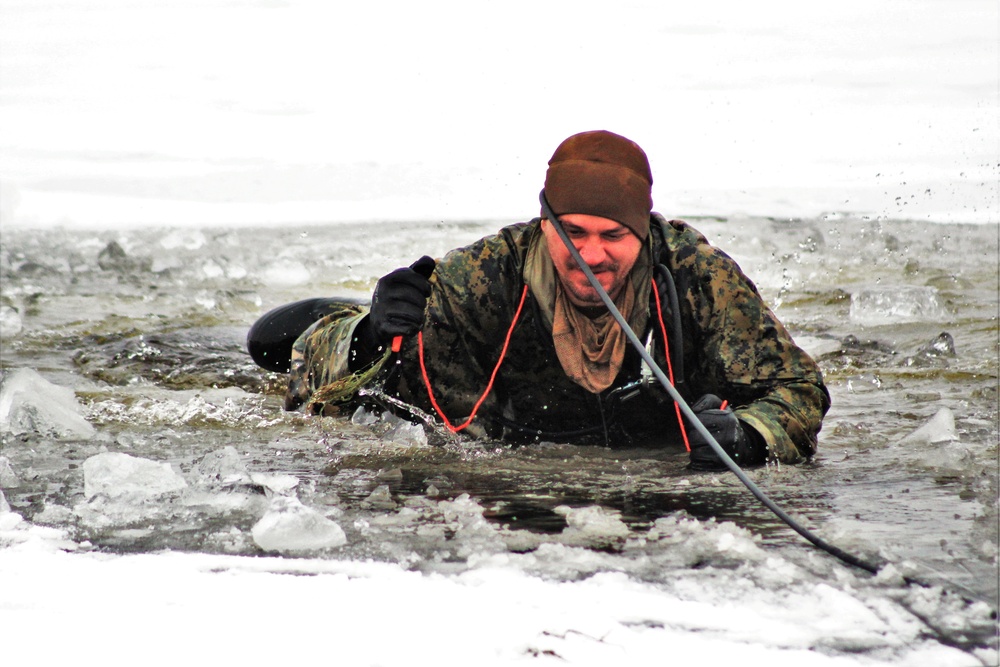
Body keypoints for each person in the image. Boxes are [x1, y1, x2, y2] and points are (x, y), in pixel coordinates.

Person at [248, 130, 830, 468]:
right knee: (269, 344)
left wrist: (752, 435)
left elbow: (799, 390)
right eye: (573, 233)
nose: (592, 256)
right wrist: (372, 335)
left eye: (613, 236)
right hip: (505, 424)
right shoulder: (479, 277)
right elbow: (319, 389)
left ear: (644, 232)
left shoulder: (696, 276)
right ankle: (345, 312)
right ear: (544, 224)